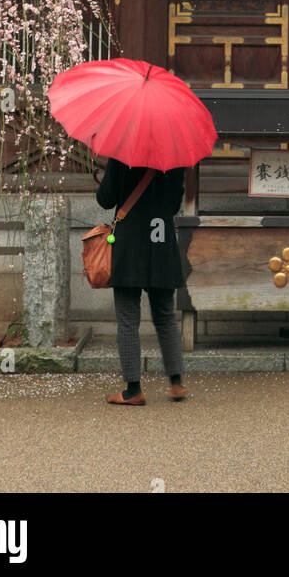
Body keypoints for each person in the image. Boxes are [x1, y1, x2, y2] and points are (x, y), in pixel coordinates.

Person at [95, 158, 186, 405]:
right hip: (162, 241)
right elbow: (175, 204)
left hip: (129, 243)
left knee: (127, 320)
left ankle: (133, 390)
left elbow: (106, 199)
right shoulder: (175, 158)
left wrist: (106, 176)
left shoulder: (123, 155)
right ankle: (176, 383)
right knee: (166, 316)